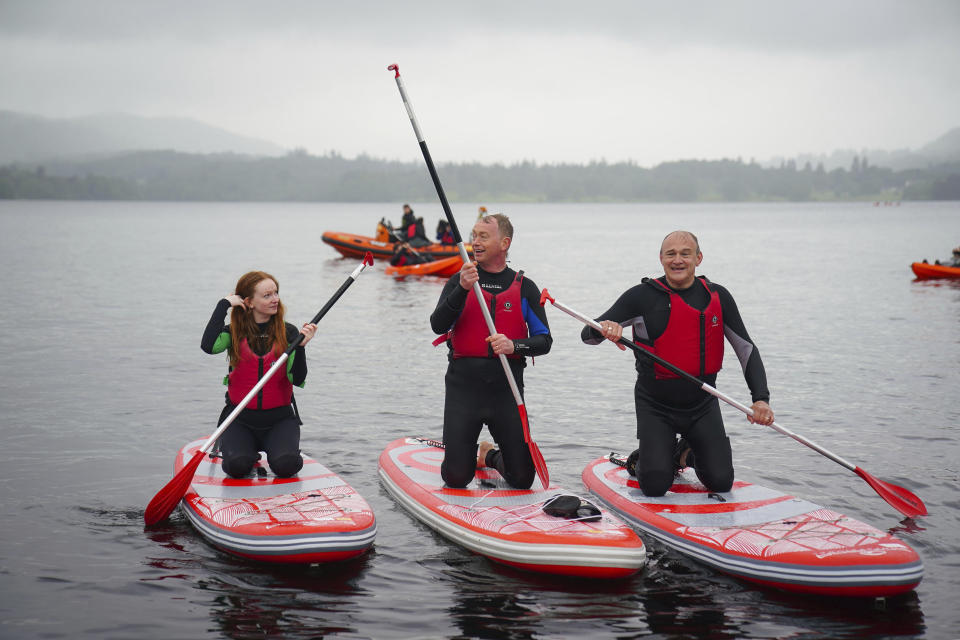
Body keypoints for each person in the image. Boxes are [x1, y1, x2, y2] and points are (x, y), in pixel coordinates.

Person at [582, 231, 773, 497]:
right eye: (670, 254)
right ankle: (649, 458)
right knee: (655, 486)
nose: (678, 260)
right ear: (661, 259)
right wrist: (605, 329)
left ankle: (685, 454)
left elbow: (746, 349)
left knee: (720, 481)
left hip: (702, 403)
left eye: (686, 253)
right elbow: (587, 336)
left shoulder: (718, 297)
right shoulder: (641, 297)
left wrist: (760, 399)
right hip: (655, 405)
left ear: (699, 258)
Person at [430, 213, 552, 489]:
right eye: (473, 235)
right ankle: (459, 456)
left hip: (506, 391)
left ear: (504, 243)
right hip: (464, 389)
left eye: (483, 236)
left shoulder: (525, 288)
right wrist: (461, 289)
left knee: (522, 479)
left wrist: (514, 345)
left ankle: (489, 455)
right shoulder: (460, 280)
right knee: (457, 477)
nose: (476, 242)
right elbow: (438, 325)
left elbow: (544, 341)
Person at [200, 271, 317, 479]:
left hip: (280, 419)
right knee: (236, 467)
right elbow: (208, 346)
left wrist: (300, 348)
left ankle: (281, 451)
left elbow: (297, 380)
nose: (275, 299)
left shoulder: (289, 333)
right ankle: (247, 455)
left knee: (286, 466)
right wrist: (223, 304)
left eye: (276, 293)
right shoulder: (233, 332)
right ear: (249, 302)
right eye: (267, 295)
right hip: (239, 418)